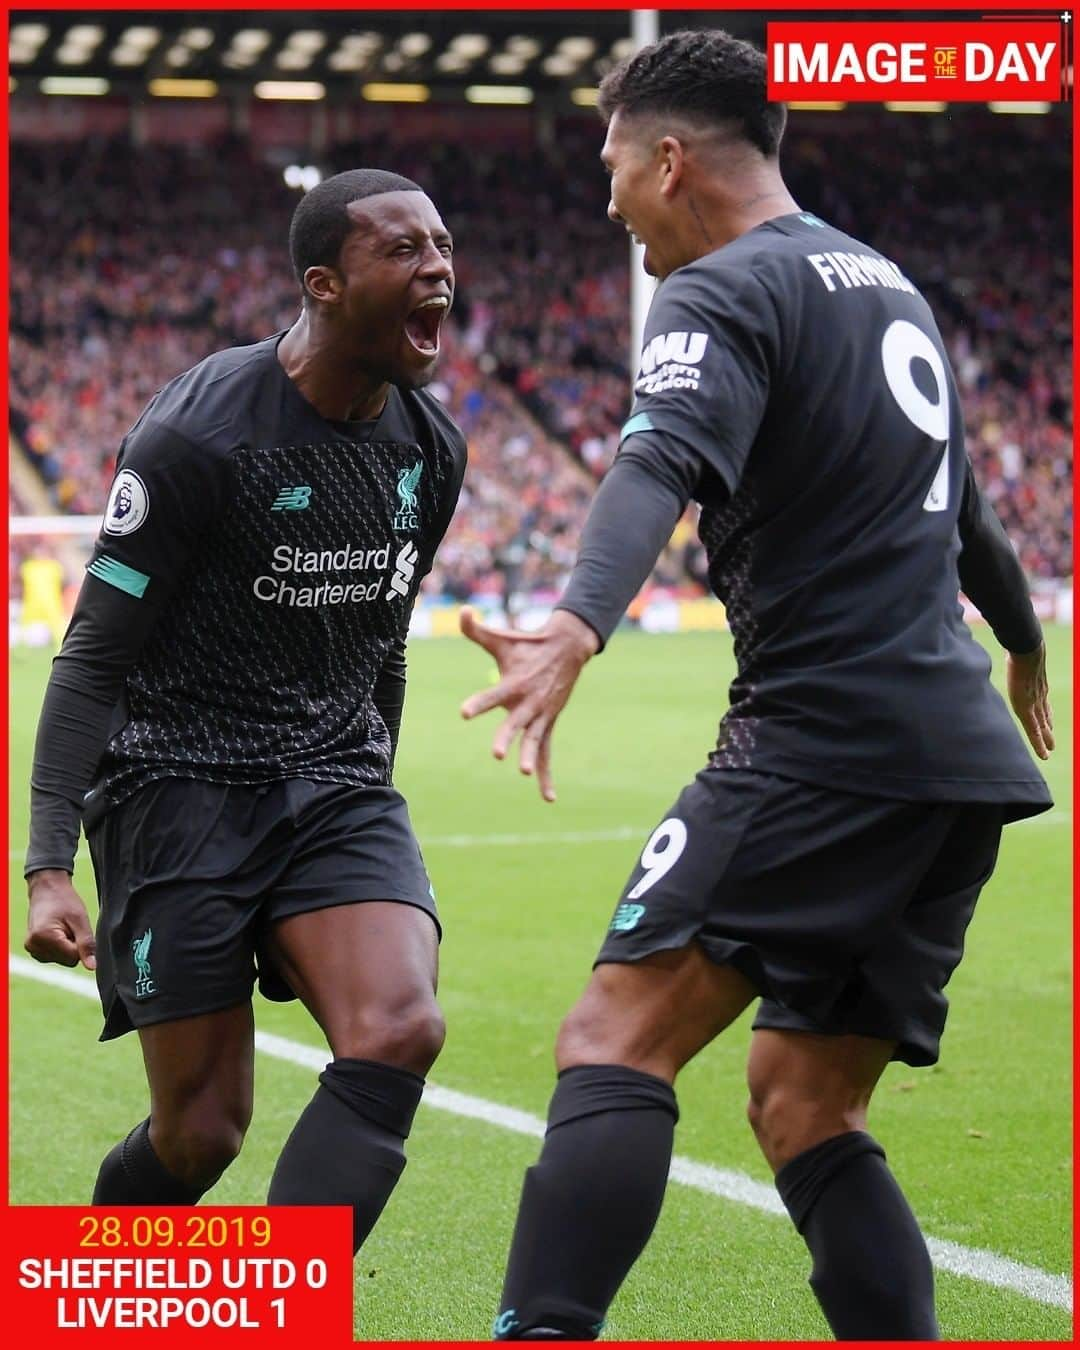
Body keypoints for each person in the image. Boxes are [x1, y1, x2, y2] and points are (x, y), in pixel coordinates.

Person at [459, 30, 1054, 1342]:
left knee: (613, 1035)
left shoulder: (722, 289)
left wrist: (573, 623)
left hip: (822, 738)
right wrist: (1027, 646)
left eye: (613, 166)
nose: (609, 201)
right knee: (804, 1099)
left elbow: (653, 460)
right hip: (953, 764)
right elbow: (975, 528)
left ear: (671, 160)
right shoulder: (891, 289)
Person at [24, 168, 466, 1253]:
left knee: (400, 1028)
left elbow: (381, 647)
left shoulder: (430, 448)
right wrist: (46, 865)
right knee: (202, 1132)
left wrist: (371, 798)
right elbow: (92, 657)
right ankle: (100, 1300)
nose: (440, 269)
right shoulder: (197, 437)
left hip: (336, 784)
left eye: (444, 245)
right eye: (404, 251)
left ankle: (288, 1315)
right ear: (323, 284)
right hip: (177, 787)